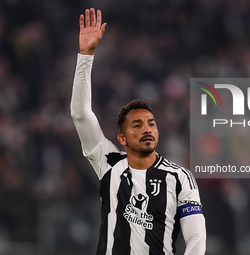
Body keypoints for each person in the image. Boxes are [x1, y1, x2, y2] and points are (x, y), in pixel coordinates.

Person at [70, 8, 206, 255]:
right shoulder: (108, 163)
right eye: (137, 125)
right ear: (121, 139)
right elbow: (80, 114)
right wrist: (86, 56)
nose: (147, 129)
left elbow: (196, 237)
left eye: (151, 123)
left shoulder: (179, 178)